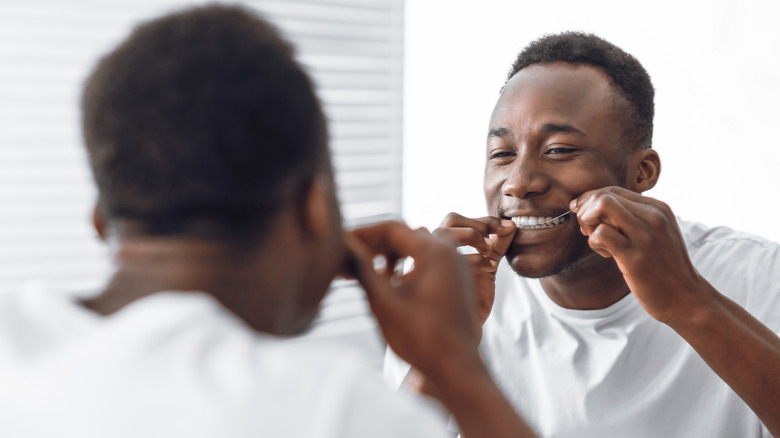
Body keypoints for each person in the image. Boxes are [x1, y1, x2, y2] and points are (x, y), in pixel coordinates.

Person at [0, 5, 539, 438]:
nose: (521, 182)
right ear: (312, 207)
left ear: (102, 221)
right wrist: (455, 368)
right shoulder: (324, 409)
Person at [386, 32, 780, 437]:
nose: (518, 183)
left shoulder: (761, 278)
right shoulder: (453, 297)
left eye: (558, 150)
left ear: (642, 172)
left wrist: (687, 299)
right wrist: (439, 351)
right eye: (502, 154)